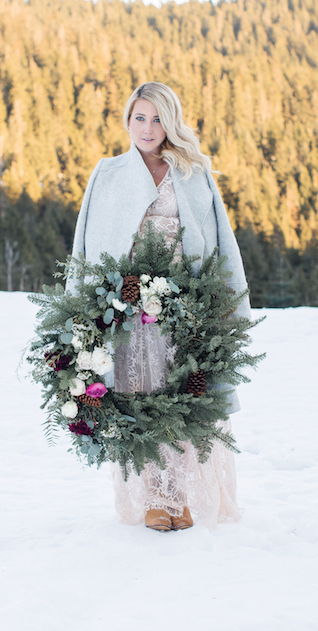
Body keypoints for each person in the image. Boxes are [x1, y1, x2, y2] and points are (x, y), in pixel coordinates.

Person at [67, 82, 249, 531]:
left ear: (170, 122)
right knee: (140, 397)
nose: (147, 128)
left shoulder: (192, 174)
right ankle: (154, 498)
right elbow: (89, 244)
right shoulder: (107, 173)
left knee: (186, 397)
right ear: (128, 120)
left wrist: (224, 301)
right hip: (128, 308)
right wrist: (83, 308)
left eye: (157, 118)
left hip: (184, 307)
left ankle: (182, 495)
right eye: (139, 117)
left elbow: (218, 242)